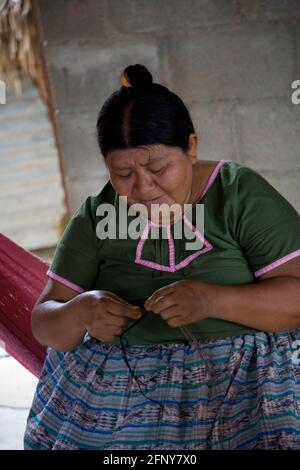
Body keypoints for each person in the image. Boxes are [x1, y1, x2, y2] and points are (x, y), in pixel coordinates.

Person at [24, 64, 300, 450]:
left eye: (158, 168)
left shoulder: (238, 194)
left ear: (191, 146)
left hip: (246, 382)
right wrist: (81, 312)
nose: (143, 188)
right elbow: (44, 322)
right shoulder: (97, 215)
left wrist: (211, 300)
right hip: (120, 393)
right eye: (122, 174)